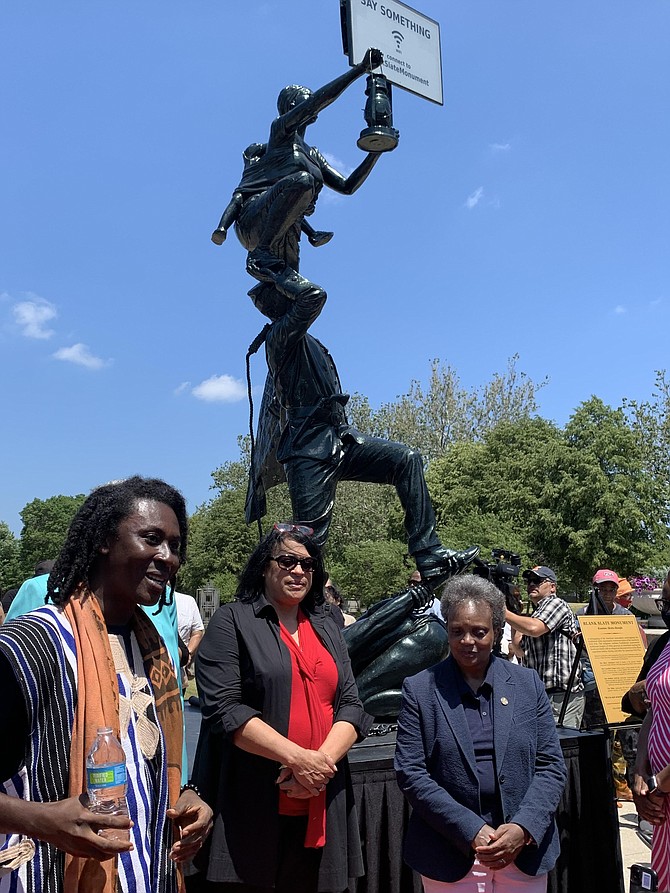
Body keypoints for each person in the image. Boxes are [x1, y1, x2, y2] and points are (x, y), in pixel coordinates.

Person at [0, 477, 212, 892]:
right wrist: (40, 820)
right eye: (151, 538)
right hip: (50, 875)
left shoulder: (156, 650)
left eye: (175, 545)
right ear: (102, 541)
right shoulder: (32, 645)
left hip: (149, 873)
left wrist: (188, 795)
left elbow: (146, 761)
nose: (167, 557)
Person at [192, 522, 371, 893]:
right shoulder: (233, 621)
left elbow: (351, 705)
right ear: (264, 566)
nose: (299, 571)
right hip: (256, 799)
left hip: (324, 796)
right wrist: (298, 761)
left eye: (308, 565)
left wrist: (319, 767)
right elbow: (226, 710)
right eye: (288, 561)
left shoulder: (327, 624)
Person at [395, 575, 567, 892]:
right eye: (457, 631)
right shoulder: (420, 689)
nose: (468, 641)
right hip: (450, 851)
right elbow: (411, 772)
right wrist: (471, 829)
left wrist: (523, 827)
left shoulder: (528, 685)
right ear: (446, 630)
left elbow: (551, 766)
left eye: (479, 632)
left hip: (522, 852)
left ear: (497, 632)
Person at [504, 566, 584, 729]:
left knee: (559, 747)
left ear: (552, 587)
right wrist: (515, 613)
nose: (531, 585)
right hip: (540, 694)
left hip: (561, 696)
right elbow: (519, 650)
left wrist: (502, 612)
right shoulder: (535, 613)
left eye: (538, 581)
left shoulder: (556, 603)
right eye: (529, 581)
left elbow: (535, 629)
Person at [175, 590, 205, 685]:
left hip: (179, 670)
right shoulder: (144, 598)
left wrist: (187, 654)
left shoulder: (187, 601)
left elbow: (197, 632)